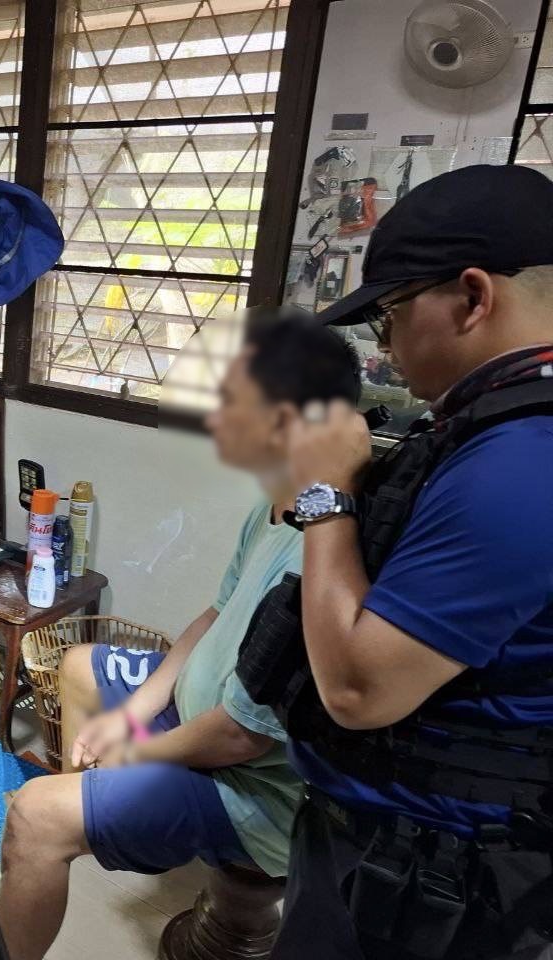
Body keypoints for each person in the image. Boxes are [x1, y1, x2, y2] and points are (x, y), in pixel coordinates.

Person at [0, 314, 363, 960]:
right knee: (78, 666)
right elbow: (213, 615)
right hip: (197, 718)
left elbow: (240, 737)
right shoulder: (276, 505)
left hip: (252, 788)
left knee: (31, 813)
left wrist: (138, 751)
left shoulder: (324, 554)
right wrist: (138, 710)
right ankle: (88, 825)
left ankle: (64, 826)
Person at [261, 164, 553, 960]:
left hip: (434, 879)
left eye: (391, 316)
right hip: (387, 843)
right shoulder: (488, 428)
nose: (385, 348)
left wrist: (327, 494)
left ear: (473, 298)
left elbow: (359, 690)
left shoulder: (521, 464)